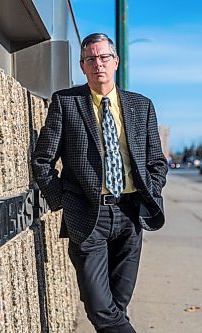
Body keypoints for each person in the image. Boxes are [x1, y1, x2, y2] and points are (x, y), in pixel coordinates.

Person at [31, 33, 167, 333]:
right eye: (90, 59)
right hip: (87, 215)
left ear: (115, 61)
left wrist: (152, 191)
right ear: (82, 66)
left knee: (117, 305)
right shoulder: (66, 103)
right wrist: (62, 200)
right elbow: (42, 160)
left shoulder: (140, 106)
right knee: (99, 307)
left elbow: (156, 161)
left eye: (104, 57)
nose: (98, 64)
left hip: (131, 214)